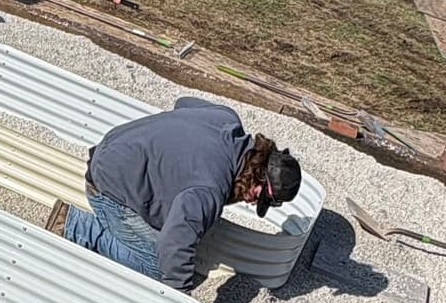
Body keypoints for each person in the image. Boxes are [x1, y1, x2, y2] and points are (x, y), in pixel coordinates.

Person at [49, 100, 301, 292]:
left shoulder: (226, 118)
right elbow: (173, 245)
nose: (254, 201)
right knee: (157, 268)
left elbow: (183, 103)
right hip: (108, 186)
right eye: (261, 196)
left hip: (115, 145)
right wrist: (179, 298)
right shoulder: (209, 189)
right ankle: (77, 226)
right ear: (257, 173)